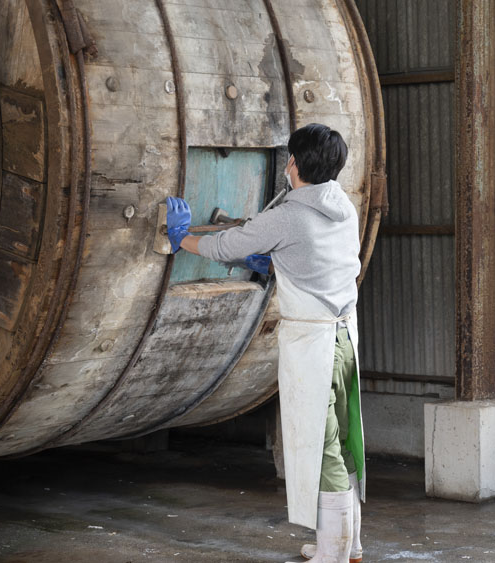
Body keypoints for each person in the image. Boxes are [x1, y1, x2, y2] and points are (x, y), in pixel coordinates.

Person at [165, 123, 365, 563]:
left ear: (293, 163)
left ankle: (333, 554)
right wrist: (276, 261)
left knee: (323, 444)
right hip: (344, 337)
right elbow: (315, 261)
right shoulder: (342, 206)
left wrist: (184, 239)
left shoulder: (288, 215)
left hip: (314, 345)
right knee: (342, 441)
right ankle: (347, 545)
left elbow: (225, 246)